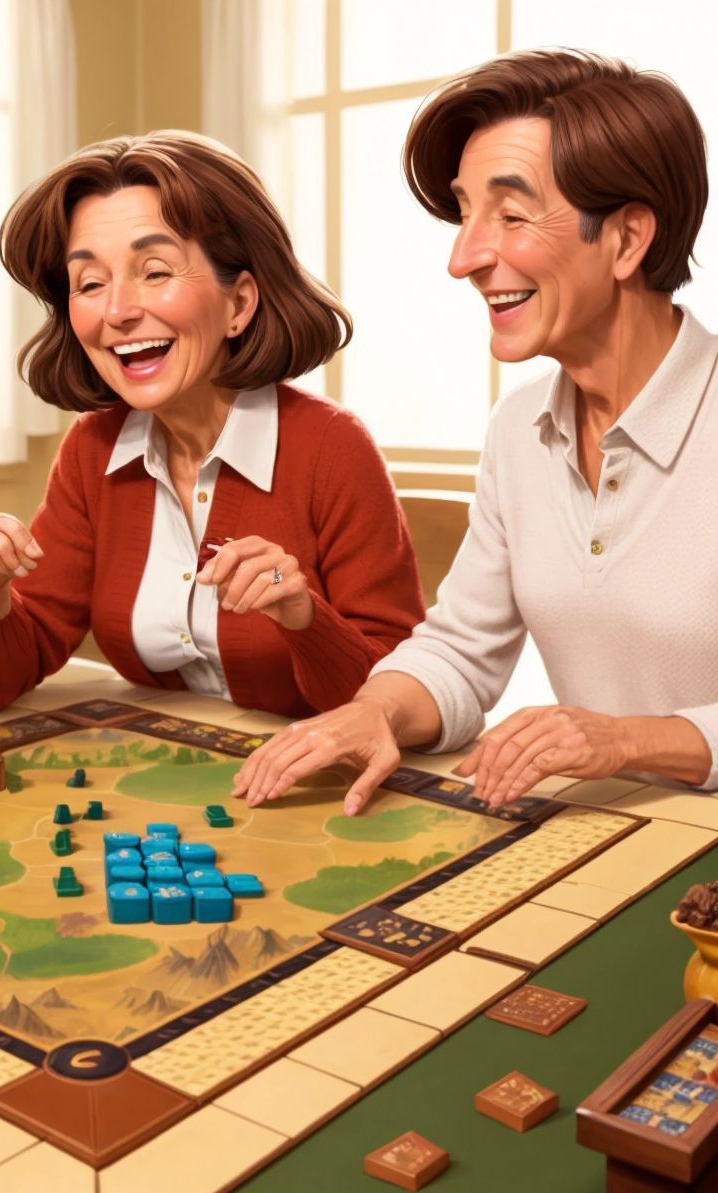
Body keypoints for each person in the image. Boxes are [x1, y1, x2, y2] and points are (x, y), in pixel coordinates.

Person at [234, 48, 716, 813]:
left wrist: (630, 740)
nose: (464, 257)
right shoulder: (520, 424)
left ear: (628, 239)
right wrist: (375, 711)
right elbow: (461, 649)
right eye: (465, 213)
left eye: (512, 214)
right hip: (609, 843)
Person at [0, 131, 423, 717]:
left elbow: (395, 696)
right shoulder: (93, 450)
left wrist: (301, 615)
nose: (117, 312)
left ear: (240, 304)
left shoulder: (332, 446)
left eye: (155, 271)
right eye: (90, 283)